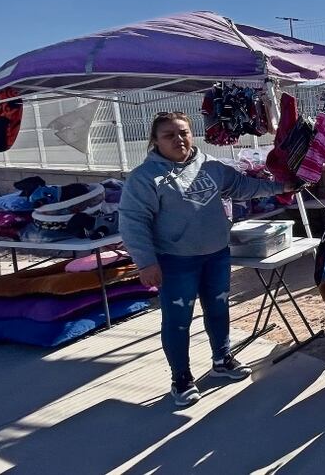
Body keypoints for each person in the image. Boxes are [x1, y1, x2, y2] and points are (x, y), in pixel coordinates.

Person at [120, 111, 297, 406]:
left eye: (183, 132)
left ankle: (222, 360)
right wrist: (146, 262)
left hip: (216, 255)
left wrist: (281, 187)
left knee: (218, 310)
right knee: (178, 321)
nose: (178, 139)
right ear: (155, 141)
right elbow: (133, 222)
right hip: (176, 262)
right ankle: (181, 378)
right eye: (169, 135)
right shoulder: (145, 178)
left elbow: (243, 186)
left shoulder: (211, 166)